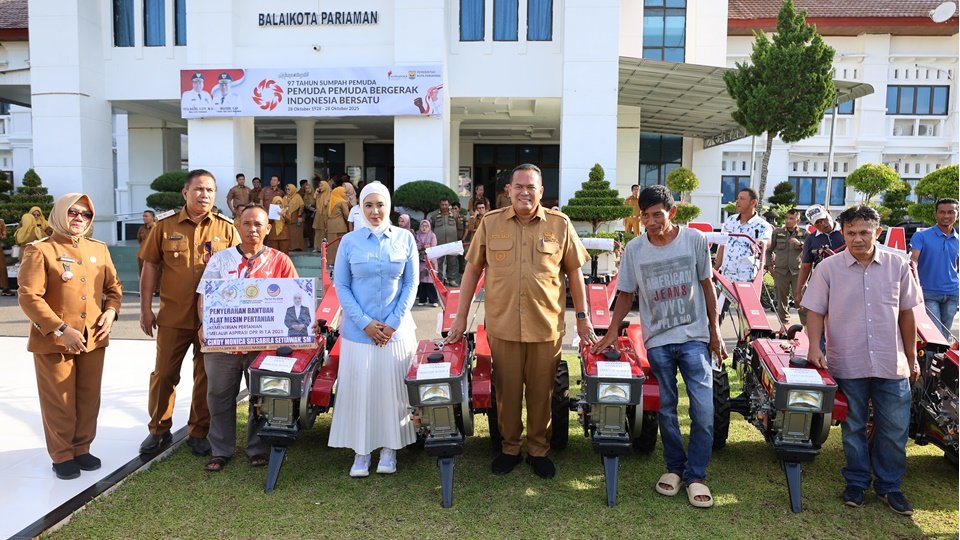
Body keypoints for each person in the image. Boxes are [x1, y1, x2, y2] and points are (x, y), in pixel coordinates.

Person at [445, 163, 596, 479]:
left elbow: (575, 272)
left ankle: (539, 450)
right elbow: (472, 270)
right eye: (519, 186)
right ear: (509, 190)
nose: (525, 192)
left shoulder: (559, 224)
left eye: (531, 187)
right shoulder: (491, 223)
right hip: (504, 327)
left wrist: (583, 318)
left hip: (546, 326)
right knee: (507, 394)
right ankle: (510, 448)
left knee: (542, 395)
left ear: (541, 191)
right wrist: (460, 317)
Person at [591, 184, 724, 508]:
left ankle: (696, 475)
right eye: (645, 216)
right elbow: (625, 293)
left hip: (694, 339)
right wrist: (611, 332)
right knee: (666, 409)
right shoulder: (635, 249)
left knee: (703, 411)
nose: (650, 222)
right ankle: (675, 468)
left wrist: (715, 331)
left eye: (657, 215)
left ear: (672, 212)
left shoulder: (694, 240)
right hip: (658, 341)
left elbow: (707, 287)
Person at [801, 205, 922, 516]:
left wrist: (912, 358)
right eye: (851, 232)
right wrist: (814, 346)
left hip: (891, 362)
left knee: (894, 429)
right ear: (842, 233)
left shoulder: (898, 265)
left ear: (877, 232)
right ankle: (855, 481)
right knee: (853, 426)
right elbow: (815, 311)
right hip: (847, 360)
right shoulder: (828, 269)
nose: (857, 239)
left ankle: (889, 486)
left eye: (864, 232)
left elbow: (907, 315)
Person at [18, 193, 122, 479]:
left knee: (88, 398)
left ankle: (81, 448)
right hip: (55, 340)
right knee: (59, 402)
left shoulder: (98, 249)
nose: (79, 218)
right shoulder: (40, 250)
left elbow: (113, 288)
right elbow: (29, 297)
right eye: (73, 212)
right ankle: (62, 454)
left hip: (93, 337)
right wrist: (61, 329)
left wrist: (111, 311)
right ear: (60, 213)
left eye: (86, 214)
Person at [137, 169, 239, 456]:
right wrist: (145, 309)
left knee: (206, 376)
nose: (204, 195)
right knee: (164, 375)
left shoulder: (226, 228)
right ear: (185, 192)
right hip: (173, 316)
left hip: (213, 319)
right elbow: (150, 266)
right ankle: (159, 429)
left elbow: (239, 269)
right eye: (198, 189)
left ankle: (199, 431)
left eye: (210, 190)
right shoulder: (164, 226)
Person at [196, 205, 298, 472]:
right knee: (218, 396)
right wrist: (205, 323)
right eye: (247, 223)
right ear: (237, 226)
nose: (252, 229)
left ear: (268, 228)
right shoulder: (221, 260)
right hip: (223, 345)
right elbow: (205, 296)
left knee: (261, 397)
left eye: (258, 224)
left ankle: (257, 448)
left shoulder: (280, 261)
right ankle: (221, 450)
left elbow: (295, 296)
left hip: (264, 347)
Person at [328, 182, 419, 477]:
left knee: (393, 394)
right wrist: (365, 323)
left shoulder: (405, 238)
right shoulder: (349, 242)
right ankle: (361, 451)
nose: (375, 211)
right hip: (359, 333)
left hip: (396, 332)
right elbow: (341, 285)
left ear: (389, 206)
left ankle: (390, 450)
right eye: (368, 205)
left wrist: (392, 323)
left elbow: (411, 284)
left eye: (380, 205)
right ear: (360, 208)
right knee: (361, 392)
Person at [910, 198, 958, 338]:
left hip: (953, 294)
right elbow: (913, 262)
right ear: (935, 214)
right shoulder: (921, 236)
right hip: (928, 293)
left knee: (945, 335)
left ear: (957, 214)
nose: (946, 216)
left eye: (951, 212)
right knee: (935, 334)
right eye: (942, 212)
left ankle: (942, 353)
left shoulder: (958, 239)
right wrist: (913, 286)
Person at [714, 187, 772, 282]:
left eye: (742, 199)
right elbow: (722, 245)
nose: (737, 201)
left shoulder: (763, 225)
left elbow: (767, 241)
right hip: (726, 278)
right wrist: (715, 268)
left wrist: (761, 242)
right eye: (737, 198)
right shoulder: (730, 221)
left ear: (753, 202)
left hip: (748, 279)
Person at [795, 204, 845, 311]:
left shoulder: (847, 231)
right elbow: (805, 266)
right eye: (817, 222)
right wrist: (799, 292)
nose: (823, 224)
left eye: (824, 219)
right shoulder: (811, 239)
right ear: (812, 224)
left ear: (829, 212)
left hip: (848, 281)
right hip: (824, 284)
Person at [767, 208, 809, 324]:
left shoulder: (804, 234)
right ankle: (785, 325)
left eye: (791, 218)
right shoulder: (777, 232)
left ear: (798, 220)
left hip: (798, 273)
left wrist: (800, 244)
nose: (788, 221)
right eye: (786, 218)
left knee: (801, 299)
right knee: (781, 300)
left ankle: (806, 326)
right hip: (781, 272)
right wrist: (769, 266)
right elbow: (768, 250)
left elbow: (811, 251)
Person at [431, 197, 463, 286]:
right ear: (439, 205)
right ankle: (439, 280)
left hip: (453, 242)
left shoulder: (455, 214)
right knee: (438, 262)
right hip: (439, 243)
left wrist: (459, 238)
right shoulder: (434, 215)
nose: (444, 206)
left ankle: (451, 279)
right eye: (442, 204)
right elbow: (432, 227)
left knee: (452, 262)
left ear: (449, 205)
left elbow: (459, 227)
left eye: (446, 204)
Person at [414, 219, 439, 307]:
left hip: (430, 261)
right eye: (422, 226)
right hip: (420, 261)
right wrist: (422, 247)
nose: (424, 228)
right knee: (422, 282)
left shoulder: (432, 235)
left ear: (429, 227)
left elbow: (434, 246)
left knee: (430, 282)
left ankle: (433, 300)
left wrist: (428, 247)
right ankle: (422, 299)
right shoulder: (417, 235)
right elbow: (416, 246)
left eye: (426, 226)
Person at [325, 185, 351, 265]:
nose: (345, 194)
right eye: (344, 192)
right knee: (340, 245)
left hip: (330, 225)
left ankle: (331, 261)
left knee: (332, 245)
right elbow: (347, 215)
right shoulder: (342, 202)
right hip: (340, 226)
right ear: (339, 193)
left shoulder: (330, 202)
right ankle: (339, 263)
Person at [136, 210, 160, 297]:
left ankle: (157, 290)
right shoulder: (142, 228)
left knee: (157, 273)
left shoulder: (157, 227)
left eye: (146, 216)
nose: (144, 218)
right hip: (142, 254)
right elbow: (139, 239)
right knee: (142, 273)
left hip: (155, 254)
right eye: (143, 216)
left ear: (152, 217)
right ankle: (144, 292)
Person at [283, 183, 306, 252]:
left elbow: (301, 206)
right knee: (289, 233)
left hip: (296, 217)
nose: (287, 191)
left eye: (289, 189)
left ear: (293, 189)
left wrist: (299, 215)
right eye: (286, 189)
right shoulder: (285, 197)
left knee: (297, 234)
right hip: (287, 218)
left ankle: (298, 247)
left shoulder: (297, 197)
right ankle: (290, 247)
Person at [312, 180, 332, 252]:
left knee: (325, 232)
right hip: (318, 216)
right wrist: (315, 194)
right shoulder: (319, 194)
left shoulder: (330, 194)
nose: (320, 187)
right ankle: (317, 247)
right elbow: (313, 203)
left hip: (326, 216)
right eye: (319, 186)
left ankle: (325, 247)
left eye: (322, 186)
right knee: (318, 231)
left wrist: (327, 203)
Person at [302, 183, 316, 249]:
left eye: (308, 188)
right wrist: (308, 207)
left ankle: (316, 243)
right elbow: (304, 205)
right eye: (306, 188)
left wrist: (314, 208)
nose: (307, 190)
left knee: (315, 230)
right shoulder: (305, 197)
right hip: (308, 215)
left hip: (315, 214)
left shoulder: (315, 195)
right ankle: (311, 243)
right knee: (309, 230)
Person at [0, 218, 11, 295]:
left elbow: (4, 236)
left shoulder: (1, 222)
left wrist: (2, 235)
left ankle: (5, 288)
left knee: (2, 267)